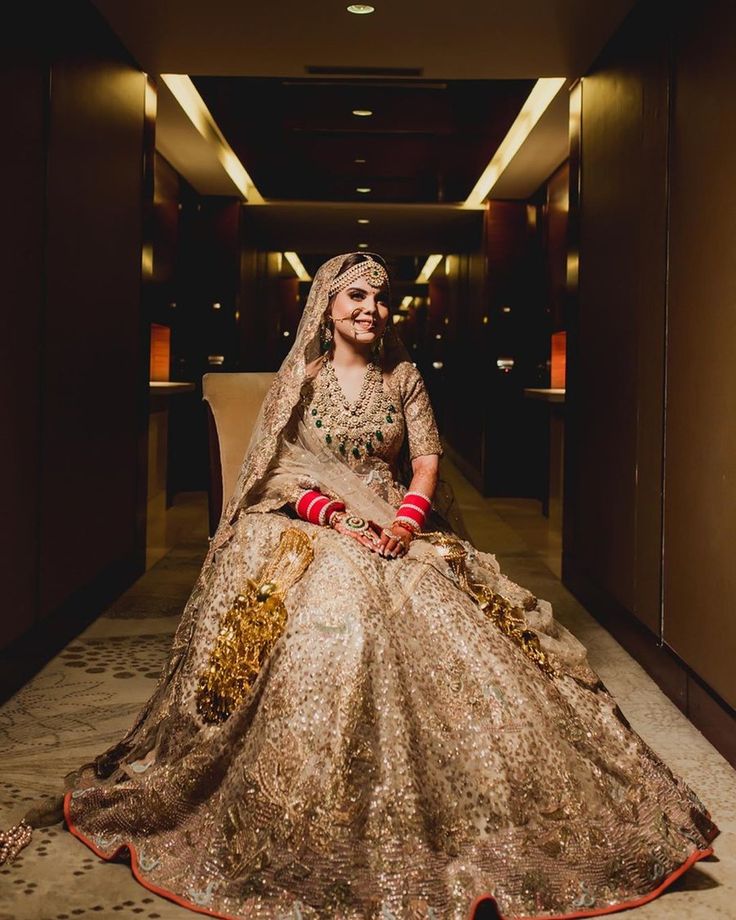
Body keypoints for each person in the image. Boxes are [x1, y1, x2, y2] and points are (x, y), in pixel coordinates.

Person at [1, 252, 718, 919]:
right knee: (334, 617)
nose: (370, 308)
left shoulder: (403, 378)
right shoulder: (303, 381)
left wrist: (403, 526)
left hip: (394, 520)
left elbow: (428, 462)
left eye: (379, 298)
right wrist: (335, 516)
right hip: (314, 527)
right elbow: (278, 471)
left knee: (462, 632)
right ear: (326, 306)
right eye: (356, 296)